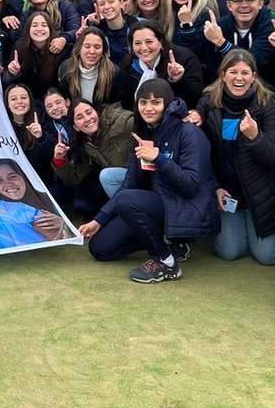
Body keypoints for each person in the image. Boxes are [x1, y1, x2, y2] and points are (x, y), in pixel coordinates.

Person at [77, 78, 218, 282]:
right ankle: (167, 242)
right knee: (100, 248)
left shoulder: (189, 132)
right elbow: (129, 183)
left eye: (155, 102)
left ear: (167, 103)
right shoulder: (144, 133)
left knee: (126, 199)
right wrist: (99, 220)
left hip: (187, 208)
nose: (148, 108)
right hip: (158, 206)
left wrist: (158, 158)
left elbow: (190, 186)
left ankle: (166, 262)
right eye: (143, 102)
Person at [186, 50, 275, 265]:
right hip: (227, 193)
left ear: (254, 76)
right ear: (223, 75)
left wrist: (255, 136)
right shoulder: (209, 103)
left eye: (245, 72)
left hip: (260, 194)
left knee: (268, 257)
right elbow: (201, 155)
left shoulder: (268, 105)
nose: (239, 78)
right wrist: (215, 187)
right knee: (230, 252)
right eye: (233, 72)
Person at [52, 98, 133, 218]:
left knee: (107, 176)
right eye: (79, 117)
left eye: (89, 112)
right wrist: (59, 159)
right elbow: (74, 178)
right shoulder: (86, 144)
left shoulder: (122, 120)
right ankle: (127, 214)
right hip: (125, 184)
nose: (87, 119)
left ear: (96, 112)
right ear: (75, 127)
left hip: (143, 175)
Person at [113, 19, 204, 110]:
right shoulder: (128, 65)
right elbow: (123, 104)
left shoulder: (184, 58)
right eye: (137, 43)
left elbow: (195, 99)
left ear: (161, 43)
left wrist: (178, 80)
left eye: (149, 42)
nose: (143, 48)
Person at [57, 27, 116, 107]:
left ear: (103, 51)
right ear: (79, 48)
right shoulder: (66, 68)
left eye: (97, 47)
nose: (92, 51)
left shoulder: (114, 73)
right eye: (87, 46)